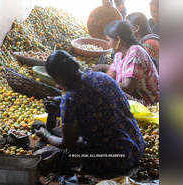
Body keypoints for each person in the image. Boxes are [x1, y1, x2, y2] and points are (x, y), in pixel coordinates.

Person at [33, 50, 146, 179]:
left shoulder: (70, 99)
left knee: (52, 156)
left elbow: (68, 143)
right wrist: (60, 103)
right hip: (136, 146)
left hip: (117, 160)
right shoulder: (102, 77)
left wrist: (46, 135)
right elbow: (95, 101)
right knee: (65, 132)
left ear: (57, 79)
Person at [94, 20, 159, 106]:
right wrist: (97, 73)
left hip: (150, 103)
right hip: (135, 99)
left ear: (118, 39)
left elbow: (127, 88)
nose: (108, 44)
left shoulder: (135, 52)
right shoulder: (118, 55)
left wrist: (102, 79)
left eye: (108, 40)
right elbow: (110, 75)